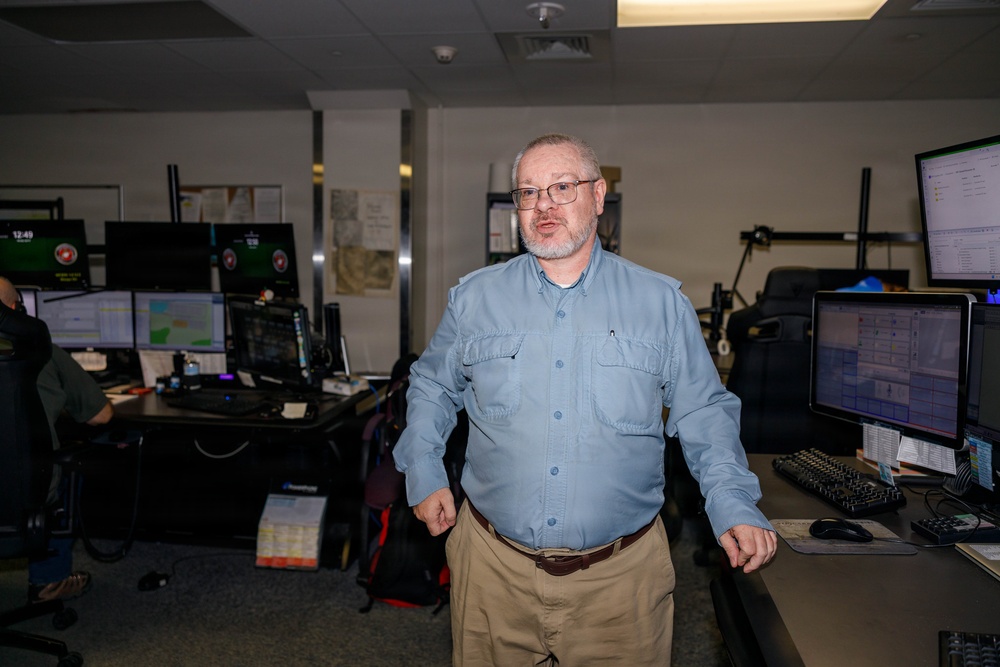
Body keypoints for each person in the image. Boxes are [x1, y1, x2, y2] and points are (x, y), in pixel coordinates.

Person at [393, 133, 777, 665]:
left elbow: (703, 411)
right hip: (492, 572)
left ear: (598, 197)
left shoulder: (659, 303)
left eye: (561, 187)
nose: (543, 205)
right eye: (529, 192)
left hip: (619, 582)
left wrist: (731, 503)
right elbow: (433, 386)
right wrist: (424, 467)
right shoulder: (474, 299)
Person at [0, 276, 114, 603]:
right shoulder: (41, 352)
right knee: (55, 470)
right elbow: (101, 416)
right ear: (13, 311)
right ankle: (49, 582)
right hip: (21, 489)